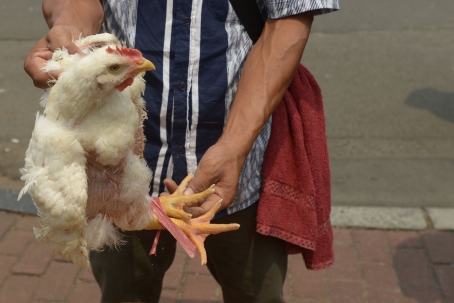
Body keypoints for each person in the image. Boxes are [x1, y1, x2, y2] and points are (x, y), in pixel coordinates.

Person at [24, 1, 338, 302]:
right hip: (115, 178)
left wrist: (235, 145)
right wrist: (70, 26)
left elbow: (290, 16)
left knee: (257, 295)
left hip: (240, 165)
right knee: (125, 295)